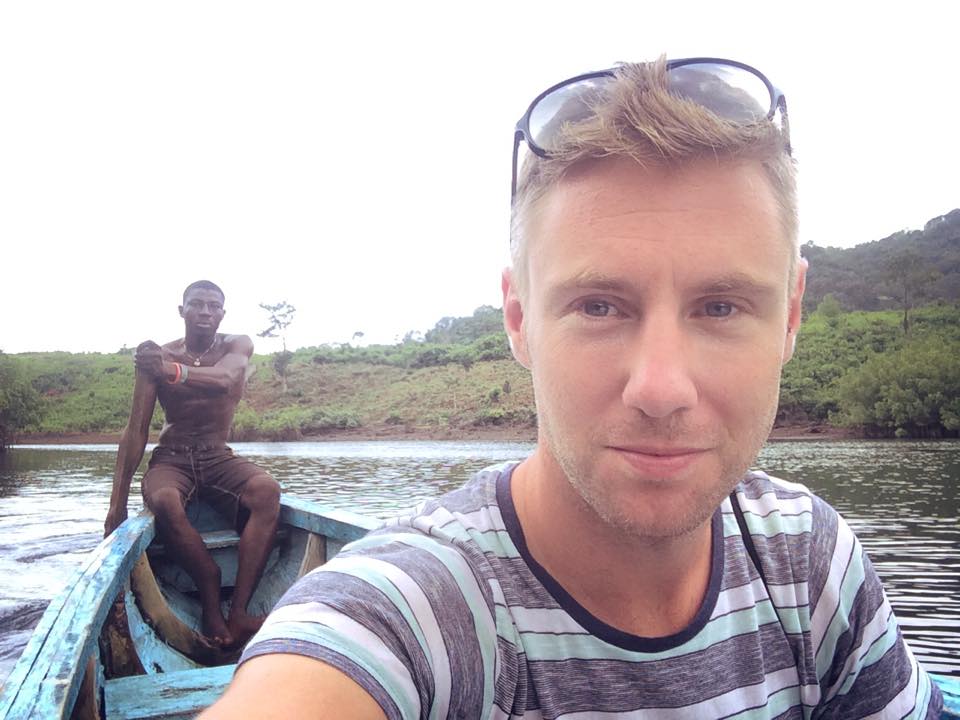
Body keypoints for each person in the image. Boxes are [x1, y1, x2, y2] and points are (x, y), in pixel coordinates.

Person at [203, 59, 943, 717]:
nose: (660, 389)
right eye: (598, 306)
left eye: (720, 307)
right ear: (520, 320)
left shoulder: (808, 560)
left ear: (789, 317)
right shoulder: (419, 609)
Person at [105, 280, 280, 649]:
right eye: (197, 305)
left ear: (222, 313)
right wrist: (115, 506)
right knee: (165, 499)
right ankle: (209, 583)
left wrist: (172, 371)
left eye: (213, 306)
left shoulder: (237, 345)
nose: (205, 312)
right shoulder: (158, 356)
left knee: (267, 491)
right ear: (181, 311)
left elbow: (227, 378)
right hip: (173, 457)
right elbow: (135, 431)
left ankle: (241, 612)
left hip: (217, 455)